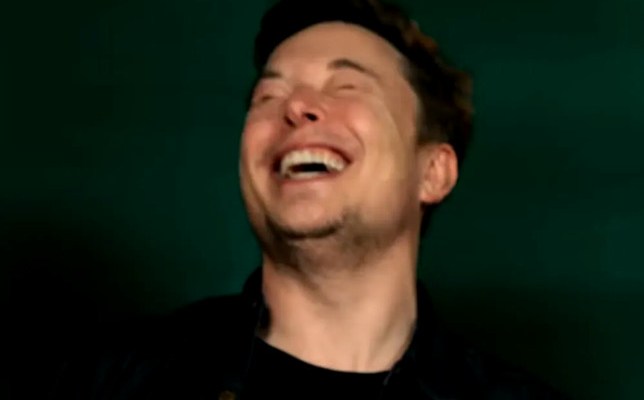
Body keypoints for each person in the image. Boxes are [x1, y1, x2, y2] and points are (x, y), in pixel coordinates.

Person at [50, 0, 568, 398]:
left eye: (346, 87)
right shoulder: (110, 383)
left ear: (433, 173)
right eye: (268, 97)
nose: (296, 105)